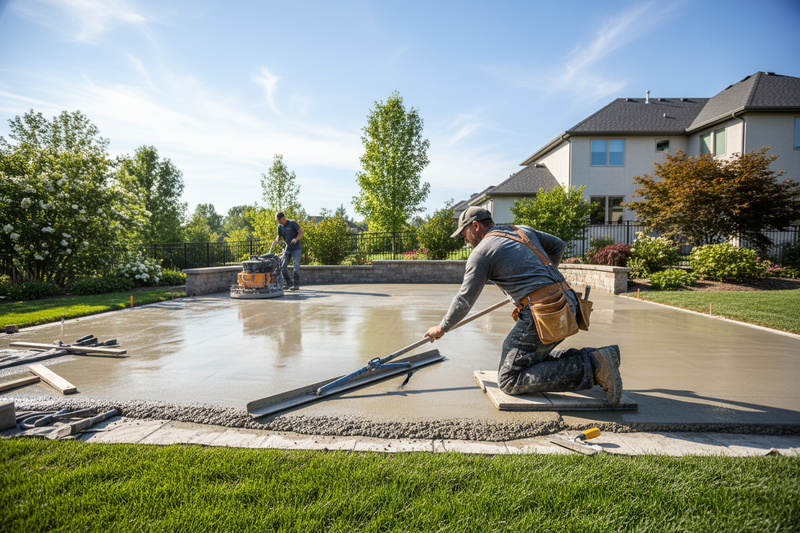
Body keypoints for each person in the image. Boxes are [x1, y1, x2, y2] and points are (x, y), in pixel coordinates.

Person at [423, 206, 623, 406]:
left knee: (509, 379)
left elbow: (464, 299)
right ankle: (601, 357)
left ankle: (594, 366)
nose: (465, 240)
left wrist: (442, 327)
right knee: (525, 357)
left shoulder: (482, 252)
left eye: (464, 234)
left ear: (475, 226)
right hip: (568, 300)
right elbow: (558, 246)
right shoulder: (521, 230)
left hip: (545, 310)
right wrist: (544, 281)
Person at [272, 212, 304, 290]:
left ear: (283, 218)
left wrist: (296, 239)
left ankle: (296, 285)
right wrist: (276, 240)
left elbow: (301, 232)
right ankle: (289, 283)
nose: (278, 222)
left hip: (296, 247)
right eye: (277, 221)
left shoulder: (292, 223)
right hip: (288, 247)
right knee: (283, 267)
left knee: (296, 266)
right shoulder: (280, 226)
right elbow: (278, 236)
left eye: (279, 220)